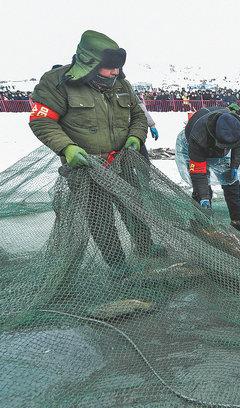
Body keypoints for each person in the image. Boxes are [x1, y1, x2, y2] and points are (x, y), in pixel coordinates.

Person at [28, 30, 157, 277]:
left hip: (121, 163)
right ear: (90, 63)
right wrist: (66, 147)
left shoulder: (122, 84)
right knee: (101, 219)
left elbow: (138, 115)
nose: (115, 72)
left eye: (117, 68)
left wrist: (135, 136)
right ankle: (116, 263)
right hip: (85, 167)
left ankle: (145, 246)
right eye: (109, 68)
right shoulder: (56, 83)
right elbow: (42, 122)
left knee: (135, 208)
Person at [184, 107, 240, 232]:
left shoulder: (236, 126)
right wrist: (204, 197)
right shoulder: (198, 137)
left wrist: (234, 165)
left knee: (232, 182)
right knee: (202, 189)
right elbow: (198, 173)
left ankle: (238, 220)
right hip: (196, 148)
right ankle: (202, 225)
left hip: (219, 148)